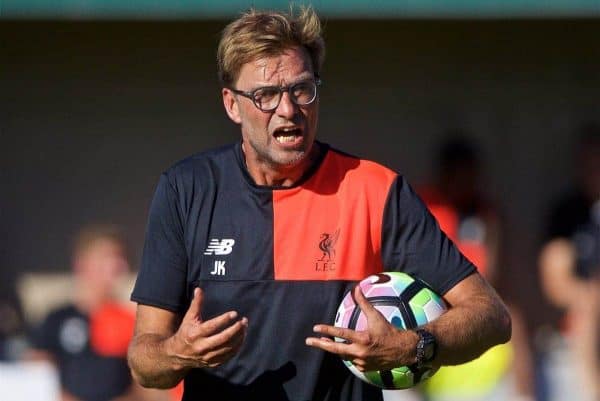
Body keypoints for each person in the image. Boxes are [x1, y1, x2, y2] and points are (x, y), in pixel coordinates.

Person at [127, 7, 511, 401]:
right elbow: (144, 361)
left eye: (302, 89)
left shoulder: (374, 189)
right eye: (266, 95)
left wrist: (413, 346)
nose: (289, 109)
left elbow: (491, 316)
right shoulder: (186, 189)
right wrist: (177, 353)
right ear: (231, 104)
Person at [419, 136, 536, 401]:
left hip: (487, 368)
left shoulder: (485, 215)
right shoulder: (424, 210)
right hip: (434, 360)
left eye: (469, 176)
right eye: (457, 175)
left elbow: (491, 277)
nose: (464, 184)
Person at [27, 224, 168, 401]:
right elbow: (35, 375)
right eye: (106, 259)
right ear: (81, 264)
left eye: (120, 259)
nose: (117, 267)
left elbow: (150, 385)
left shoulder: (132, 321)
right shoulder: (56, 320)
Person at [538, 124, 600, 401]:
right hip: (579, 326)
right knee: (586, 312)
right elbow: (555, 281)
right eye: (589, 163)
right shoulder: (567, 213)